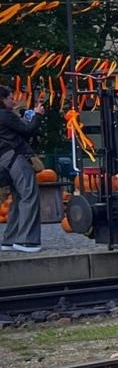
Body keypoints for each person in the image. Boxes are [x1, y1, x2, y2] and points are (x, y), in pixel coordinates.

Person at [0, 86, 45, 253]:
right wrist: (38, 115)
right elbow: (27, 130)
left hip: (4, 159)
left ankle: (10, 239)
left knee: (18, 198)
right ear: (3, 99)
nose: (13, 100)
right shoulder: (5, 114)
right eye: (10, 97)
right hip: (16, 158)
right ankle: (27, 241)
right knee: (29, 195)